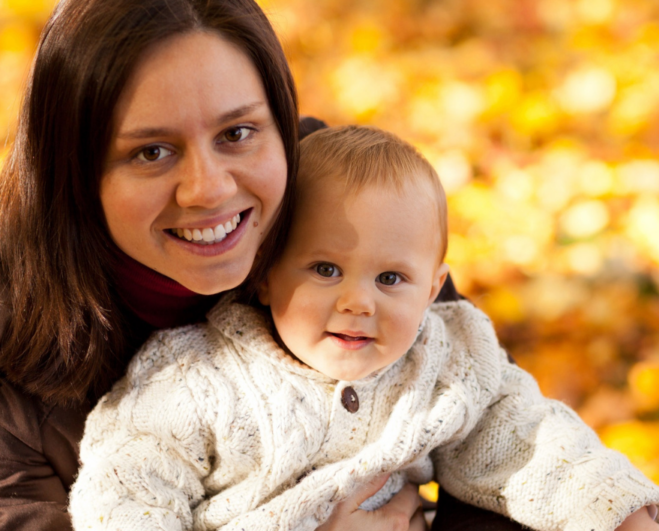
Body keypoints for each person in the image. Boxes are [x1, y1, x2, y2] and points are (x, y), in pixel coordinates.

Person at [69, 125, 659, 531]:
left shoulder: (444, 361)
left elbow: (526, 440)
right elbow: (125, 501)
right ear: (263, 275)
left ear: (434, 288)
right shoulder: (193, 380)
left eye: (391, 279)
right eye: (326, 270)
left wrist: (613, 510)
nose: (359, 302)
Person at [0, 1, 433, 529]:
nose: (210, 189)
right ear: (74, 171)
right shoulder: (12, 391)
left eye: (236, 134)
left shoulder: (344, 201)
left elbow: (506, 449)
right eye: (152, 152)